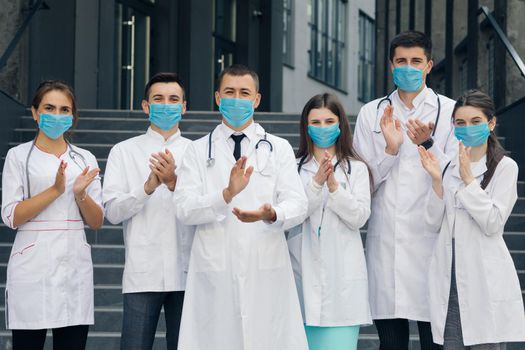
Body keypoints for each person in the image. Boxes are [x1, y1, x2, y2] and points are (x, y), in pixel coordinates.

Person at [174, 64, 308, 350]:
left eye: (244, 93)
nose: (237, 99)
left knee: (268, 338)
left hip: (265, 262)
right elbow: (184, 208)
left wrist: (272, 213)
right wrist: (225, 194)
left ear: (257, 99)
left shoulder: (278, 147)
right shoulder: (196, 151)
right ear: (218, 98)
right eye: (230, 92)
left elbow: (298, 203)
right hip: (215, 267)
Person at [353, 30, 457, 349]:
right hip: (388, 243)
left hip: (432, 240)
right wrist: (391, 150)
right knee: (391, 344)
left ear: (429, 65)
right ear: (391, 65)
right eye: (401, 61)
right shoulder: (371, 113)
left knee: (434, 342)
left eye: (415, 61)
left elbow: (455, 179)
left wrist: (427, 143)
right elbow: (361, 181)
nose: (408, 67)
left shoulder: (450, 112)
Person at [1, 80, 103, 350]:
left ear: (73, 116)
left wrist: (80, 194)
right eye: (49, 108)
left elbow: (96, 221)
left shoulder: (85, 159)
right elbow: (11, 216)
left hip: (73, 266)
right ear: (35, 112)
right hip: (31, 266)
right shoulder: (18, 157)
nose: (56, 115)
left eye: (64, 109)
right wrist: (56, 190)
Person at [419, 89, 525, 349]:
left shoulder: (504, 167)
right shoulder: (447, 166)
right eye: (460, 123)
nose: (467, 128)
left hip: (483, 274)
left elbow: (492, 222)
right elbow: (432, 222)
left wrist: (468, 181)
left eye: (475, 122)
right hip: (449, 271)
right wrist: (436, 182)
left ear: (491, 123)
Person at [103, 73, 194, 350]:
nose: (166, 105)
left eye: (173, 100)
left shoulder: (198, 152)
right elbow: (112, 212)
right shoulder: (124, 152)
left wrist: (174, 183)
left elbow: (209, 208)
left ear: (184, 107)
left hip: (189, 271)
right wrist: (147, 187)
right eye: (158, 99)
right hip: (143, 272)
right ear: (145, 106)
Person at [287, 93, 372, 350]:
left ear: (340, 124)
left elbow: (359, 217)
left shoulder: (356, 169)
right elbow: (293, 214)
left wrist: (334, 188)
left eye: (329, 121)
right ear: (306, 126)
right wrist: (315, 184)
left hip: (342, 286)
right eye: (316, 122)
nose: (322, 128)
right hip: (302, 278)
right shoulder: (293, 168)